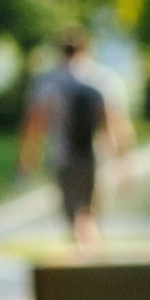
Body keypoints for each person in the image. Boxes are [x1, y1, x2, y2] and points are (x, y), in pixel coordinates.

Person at [27, 27, 113, 246]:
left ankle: (80, 260)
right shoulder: (100, 79)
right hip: (93, 159)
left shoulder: (49, 83)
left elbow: (36, 123)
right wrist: (121, 157)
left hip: (63, 159)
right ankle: (91, 259)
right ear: (86, 49)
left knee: (73, 217)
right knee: (91, 214)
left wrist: (28, 157)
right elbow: (111, 121)